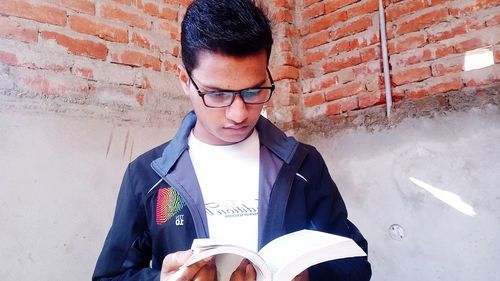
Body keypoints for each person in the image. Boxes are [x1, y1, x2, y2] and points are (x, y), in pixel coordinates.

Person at [92, 0, 372, 280]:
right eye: (217, 94)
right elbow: (110, 276)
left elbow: (356, 264)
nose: (238, 114)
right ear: (185, 80)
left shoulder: (303, 165)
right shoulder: (149, 177)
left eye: (253, 91)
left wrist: (308, 276)